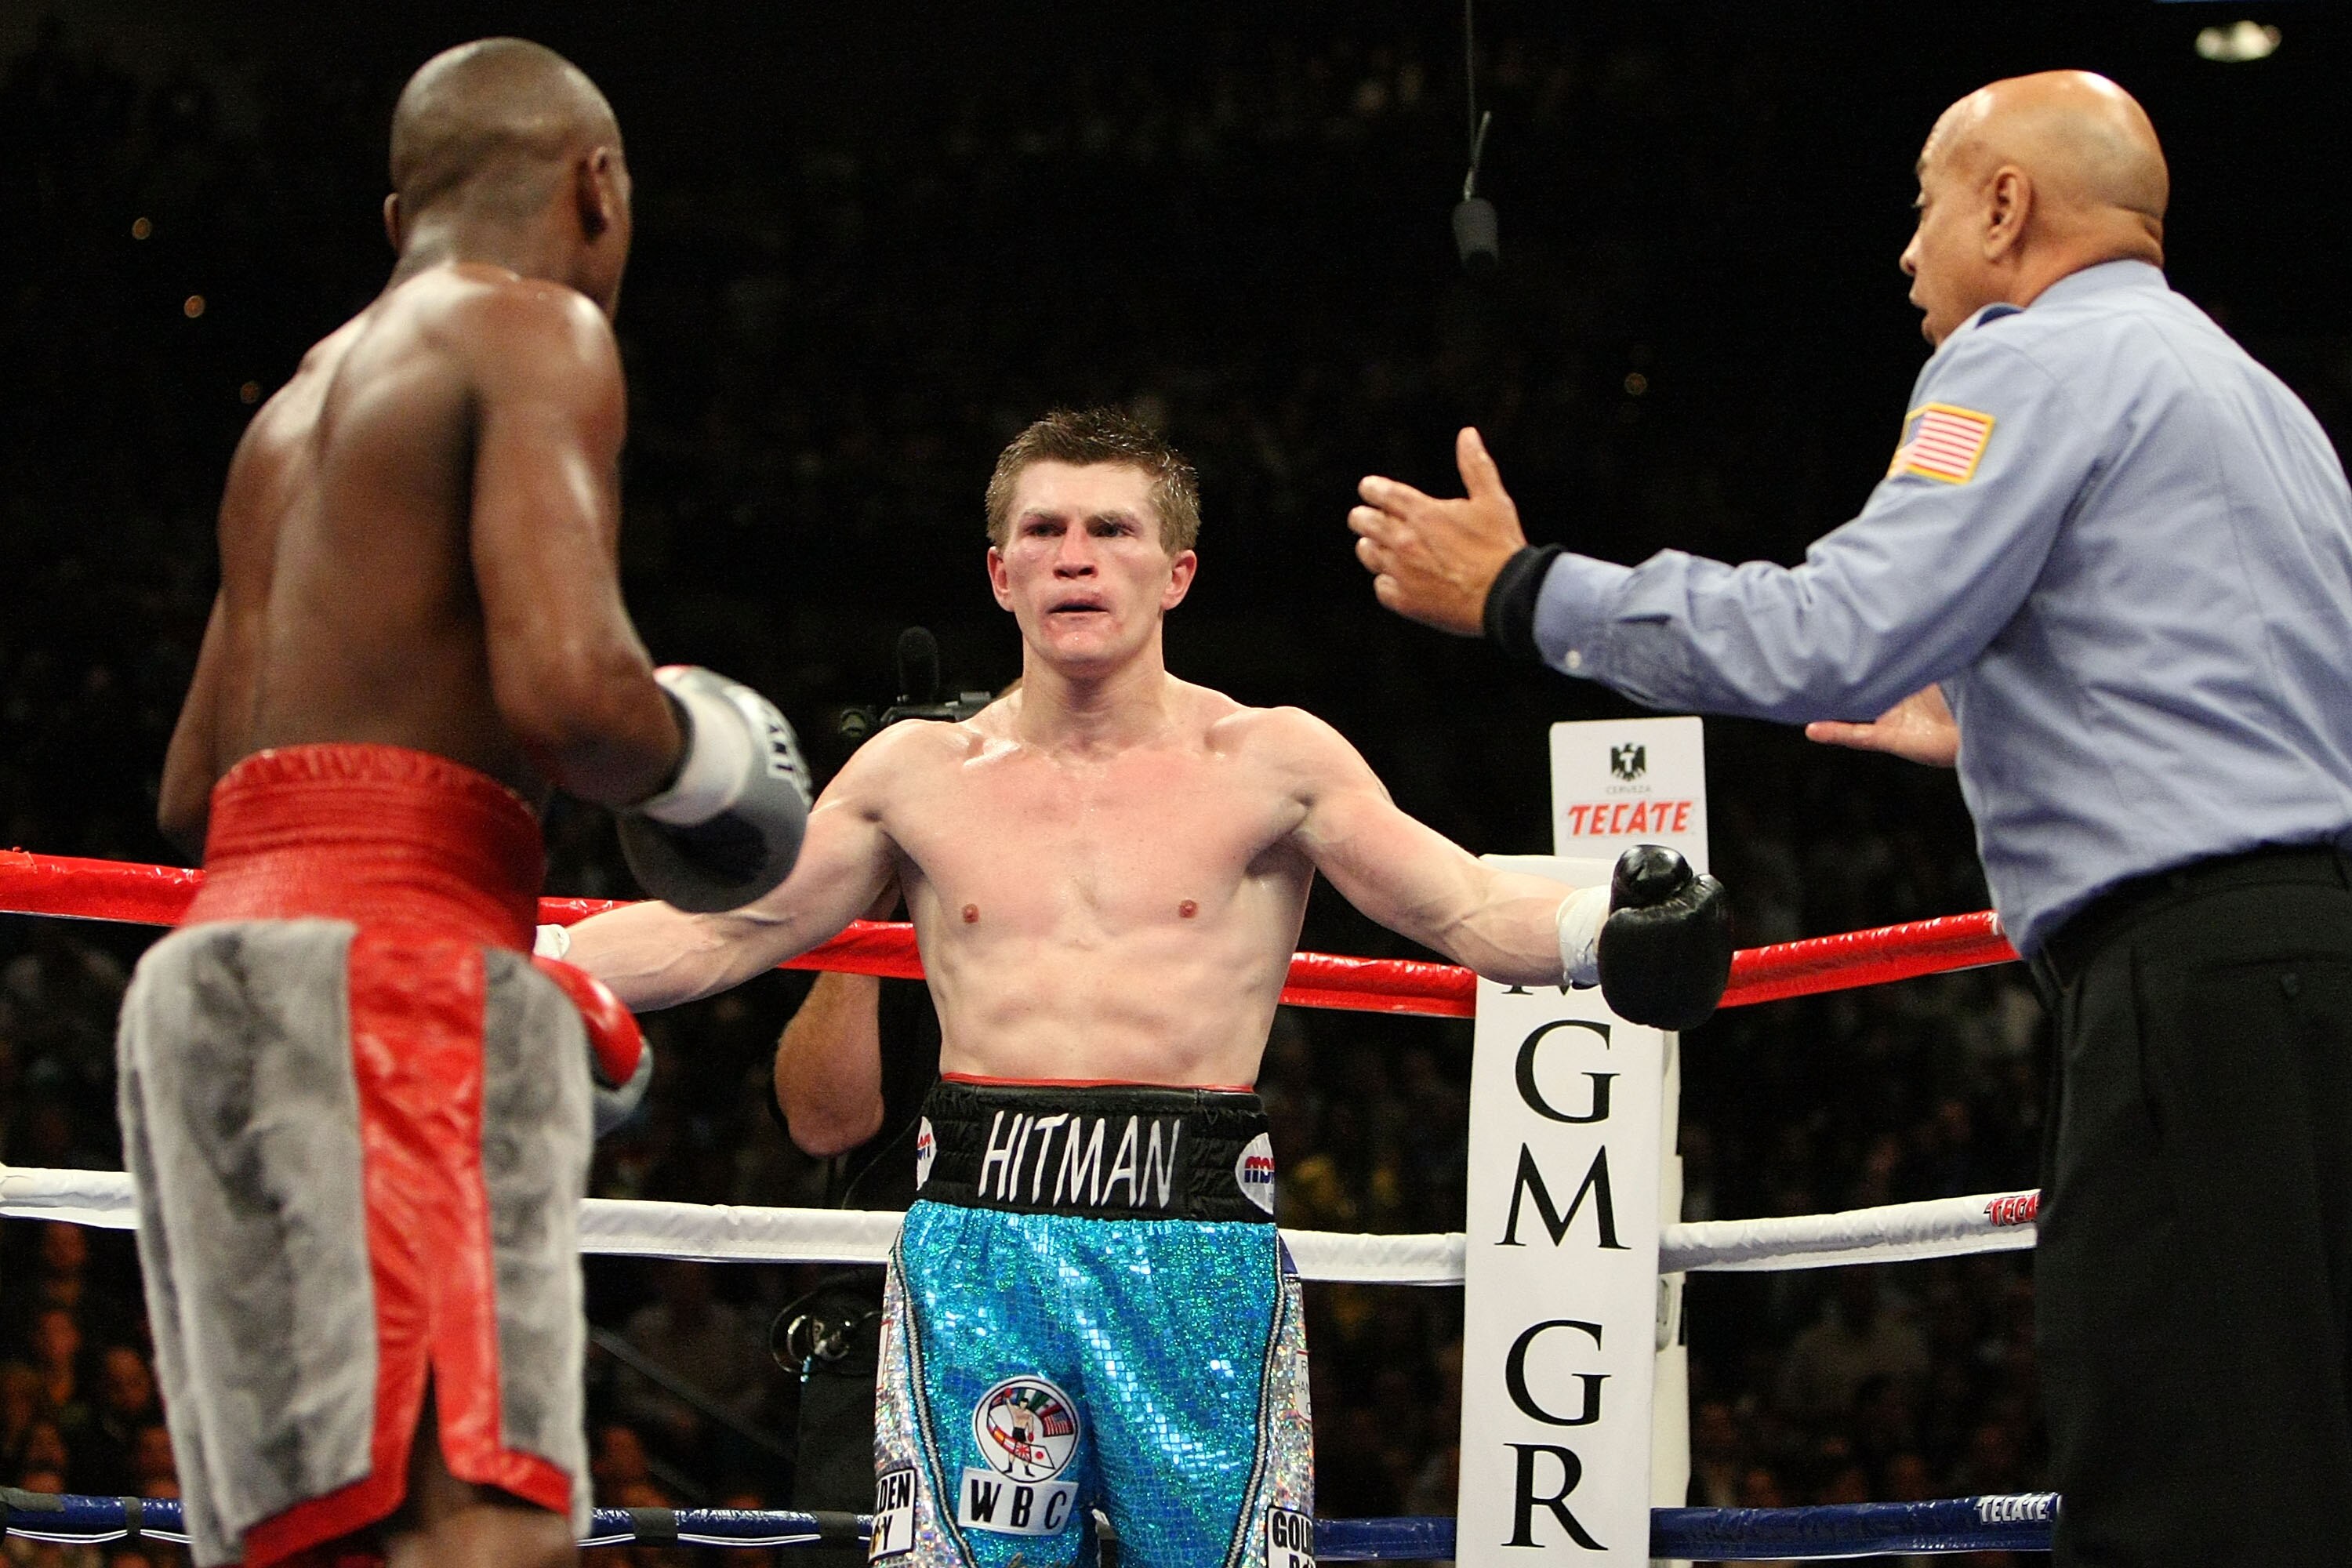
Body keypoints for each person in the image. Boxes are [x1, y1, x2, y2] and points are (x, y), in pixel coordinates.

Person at [1347, 69, 2352, 1568]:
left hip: (2191, 997)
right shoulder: (2255, 397)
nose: (1905, 255)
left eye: (1925, 207)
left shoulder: (2023, 362)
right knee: (2305, 1454)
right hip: (2310, 976)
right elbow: (2249, 703)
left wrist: (1522, 590)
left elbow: (1834, 634)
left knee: (2188, 1480)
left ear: (2005, 205)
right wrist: (2006, 727)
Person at [557, 407, 1733, 1568]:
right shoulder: (913, 773)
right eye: (1046, 529)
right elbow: (722, 934)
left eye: (1112, 530)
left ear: (1176, 574)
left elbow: (1463, 905)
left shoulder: (1273, 760)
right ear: (999, 572)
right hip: (977, 1234)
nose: (1076, 554)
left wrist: (1605, 929)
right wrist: (512, 963)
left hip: (1195, 1239)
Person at [117, 38, 807, 1568]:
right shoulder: (533, 329)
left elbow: (190, 789)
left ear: (395, 216)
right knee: (479, 1515)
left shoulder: (288, 414)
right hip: (391, 975)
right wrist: (698, 754)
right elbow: (572, 690)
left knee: (320, 1530)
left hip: (210, 986)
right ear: (597, 187)